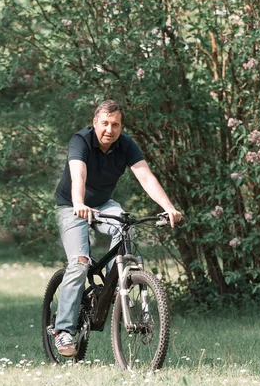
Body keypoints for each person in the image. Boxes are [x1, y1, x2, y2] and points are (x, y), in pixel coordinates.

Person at [53, 100, 182, 357]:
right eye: (105, 124)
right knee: (79, 262)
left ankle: (116, 282)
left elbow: (145, 176)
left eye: (116, 125)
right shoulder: (81, 141)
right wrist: (79, 203)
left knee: (126, 226)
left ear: (121, 127)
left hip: (103, 205)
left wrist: (168, 207)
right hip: (71, 205)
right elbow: (78, 175)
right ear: (95, 123)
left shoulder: (126, 145)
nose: (110, 130)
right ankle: (64, 331)